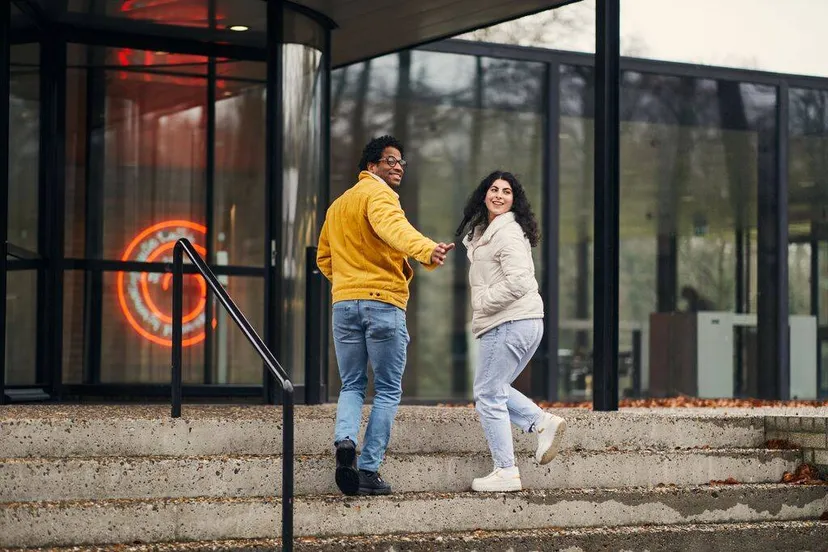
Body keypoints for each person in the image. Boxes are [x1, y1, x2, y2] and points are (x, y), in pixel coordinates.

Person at [317, 135, 455, 496]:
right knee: (388, 389)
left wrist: (347, 285)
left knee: (351, 384)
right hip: (383, 303)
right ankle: (367, 469)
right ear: (371, 167)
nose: (397, 167)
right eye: (389, 160)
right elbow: (394, 229)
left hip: (344, 305)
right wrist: (427, 249)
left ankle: (345, 440)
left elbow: (324, 258)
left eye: (401, 162)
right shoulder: (378, 195)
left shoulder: (337, 206)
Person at [455, 170, 566, 492]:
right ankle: (541, 423)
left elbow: (521, 281)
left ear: (514, 200)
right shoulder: (486, 234)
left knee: (488, 394)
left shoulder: (507, 232)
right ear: (484, 195)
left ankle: (507, 468)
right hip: (521, 322)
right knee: (495, 389)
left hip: (509, 322)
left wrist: (484, 302)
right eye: (494, 189)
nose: (499, 195)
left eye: (507, 191)